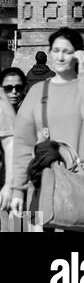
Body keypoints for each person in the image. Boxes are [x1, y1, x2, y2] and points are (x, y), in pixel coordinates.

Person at [10, 27, 84, 227]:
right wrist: (17, 189)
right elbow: (22, 143)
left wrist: (83, 73)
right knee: (36, 229)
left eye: (67, 51)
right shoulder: (37, 92)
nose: (60, 56)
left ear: (79, 55)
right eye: (56, 50)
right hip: (44, 185)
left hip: (79, 186)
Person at [0, 69, 25, 227]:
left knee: (27, 227)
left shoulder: (31, 112)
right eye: (8, 88)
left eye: (18, 88)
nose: (14, 92)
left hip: (28, 186)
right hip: (3, 185)